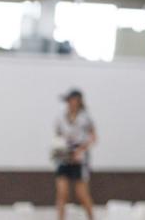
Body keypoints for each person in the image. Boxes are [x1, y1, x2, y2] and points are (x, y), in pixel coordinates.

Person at [53, 89, 96, 220]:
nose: (70, 103)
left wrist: (81, 150)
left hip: (79, 158)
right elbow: (58, 136)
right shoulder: (61, 117)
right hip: (64, 156)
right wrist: (58, 149)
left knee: (82, 194)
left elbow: (93, 137)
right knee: (62, 193)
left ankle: (91, 217)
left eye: (72, 99)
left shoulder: (85, 118)